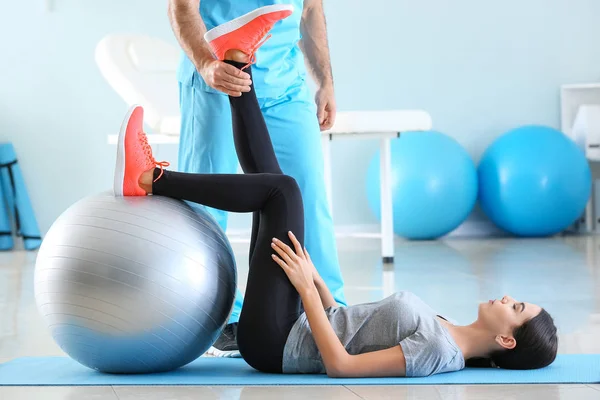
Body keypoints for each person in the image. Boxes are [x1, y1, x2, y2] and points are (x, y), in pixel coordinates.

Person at [113, 16, 558, 377]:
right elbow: (352, 325)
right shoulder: (445, 329)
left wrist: (305, 289)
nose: (505, 298)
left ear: (507, 340)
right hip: (293, 322)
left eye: (515, 307)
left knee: (282, 190)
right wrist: (318, 284)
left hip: (277, 343)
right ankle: (238, 58)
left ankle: (150, 179)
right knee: (274, 181)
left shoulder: (439, 354)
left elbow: (342, 366)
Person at [168, 0, 346, 356]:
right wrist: (205, 65)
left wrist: (325, 81)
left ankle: (329, 311)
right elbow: (182, 8)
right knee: (205, 210)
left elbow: (311, 11)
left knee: (307, 198)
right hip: (218, 79)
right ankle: (218, 319)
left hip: (285, 87)